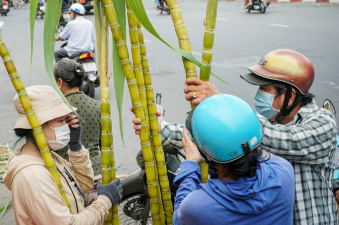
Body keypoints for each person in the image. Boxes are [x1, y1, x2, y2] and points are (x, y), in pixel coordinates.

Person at [133, 49, 338, 225]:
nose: (259, 94)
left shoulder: (323, 122)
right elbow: (219, 137)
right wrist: (158, 128)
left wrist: (223, 105)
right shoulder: (266, 129)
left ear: (291, 95)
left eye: (264, 89)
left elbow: (286, 140)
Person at [3, 85, 122, 225]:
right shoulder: (33, 176)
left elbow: (81, 187)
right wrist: (104, 200)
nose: (66, 125)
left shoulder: (49, 157)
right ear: (38, 127)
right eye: (61, 121)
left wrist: (75, 146)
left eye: (66, 120)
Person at [173, 94, 294, 225]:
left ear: (206, 155)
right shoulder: (284, 171)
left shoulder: (197, 207)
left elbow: (178, 218)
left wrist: (190, 164)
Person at [54, 59, 102, 205]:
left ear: (60, 82)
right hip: (96, 177)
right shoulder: (97, 106)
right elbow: (104, 144)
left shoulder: (55, 110)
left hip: (66, 180)